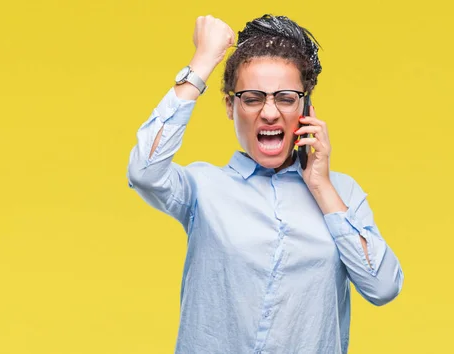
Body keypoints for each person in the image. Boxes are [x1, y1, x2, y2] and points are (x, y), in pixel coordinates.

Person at [126, 14, 404, 354]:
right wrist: (202, 62)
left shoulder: (342, 194)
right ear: (230, 106)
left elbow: (383, 286)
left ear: (307, 108)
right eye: (253, 98)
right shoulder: (203, 187)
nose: (270, 113)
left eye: (286, 98)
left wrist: (321, 186)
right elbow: (144, 170)